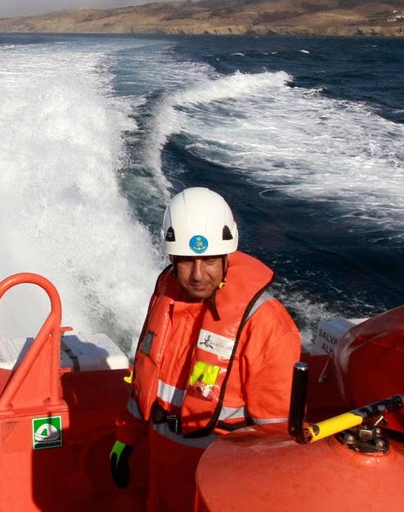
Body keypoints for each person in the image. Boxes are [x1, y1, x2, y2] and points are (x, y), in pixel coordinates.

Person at [110, 187, 301, 511]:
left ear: (228, 255)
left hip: (223, 484)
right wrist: (126, 438)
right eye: (186, 261)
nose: (198, 275)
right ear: (171, 258)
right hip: (164, 475)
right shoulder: (166, 299)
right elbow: (146, 377)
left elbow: (276, 432)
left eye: (209, 260)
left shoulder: (265, 323)